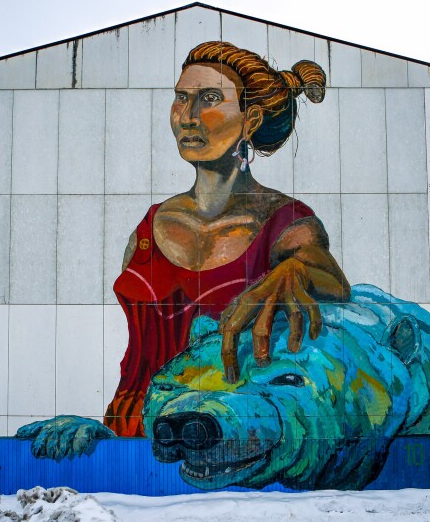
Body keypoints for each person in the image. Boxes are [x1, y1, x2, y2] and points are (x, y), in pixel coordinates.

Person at [105, 41, 351, 438]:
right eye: (181, 98)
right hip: (130, 433)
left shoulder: (285, 221)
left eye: (209, 99)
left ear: (250, 119)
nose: (187, 117)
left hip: (227, 438)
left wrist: (293, 270)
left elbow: (332, 280)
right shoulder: (148, 229)